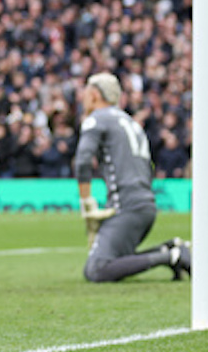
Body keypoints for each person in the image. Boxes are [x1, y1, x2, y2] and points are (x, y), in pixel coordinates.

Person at [75, 71, 191, 282]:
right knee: (118, 260)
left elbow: (83, 160)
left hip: (126, 206)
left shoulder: (96, 119)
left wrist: (86, 200)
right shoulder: (131, 122)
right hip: (146, 204)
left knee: (97, 269)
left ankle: (171, 257)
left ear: (94, 94)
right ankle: (170, 249)